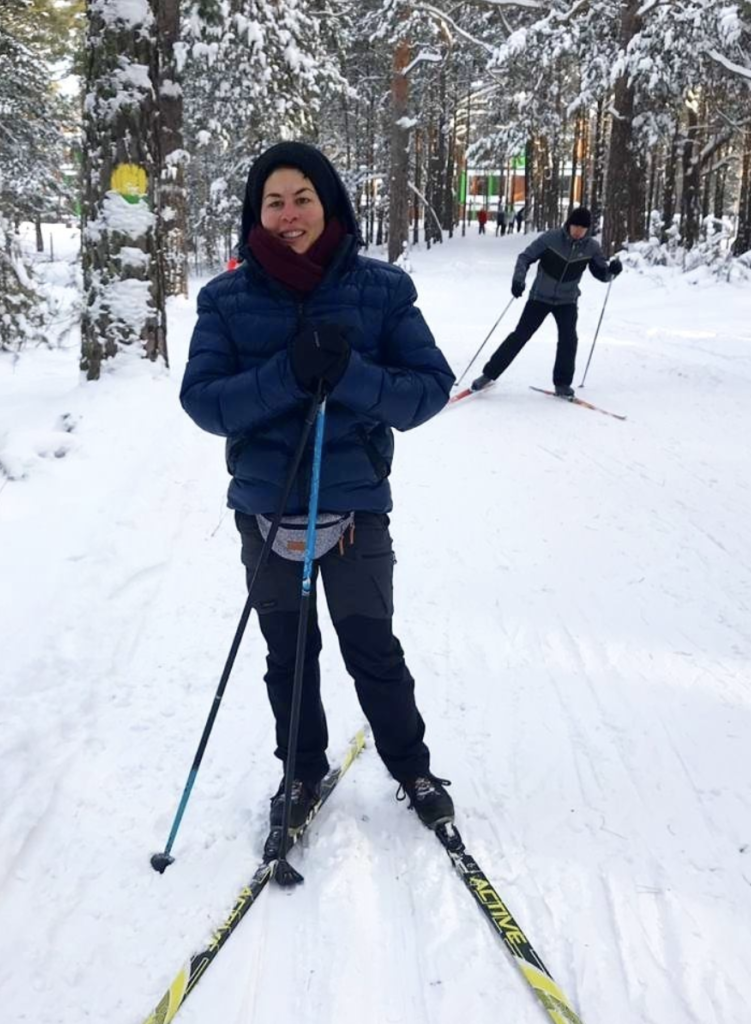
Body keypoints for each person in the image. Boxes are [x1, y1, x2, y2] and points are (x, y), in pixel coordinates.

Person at [180, 142, 457, 831]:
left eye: (303, 197)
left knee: (372, 648)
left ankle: (413, 768)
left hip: (355, 509)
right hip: (267, 512)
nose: (289, 214)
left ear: (328, 201)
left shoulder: (382, 291)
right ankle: (300, 774)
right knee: (290, 653)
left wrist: (353, 375)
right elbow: (205, 402)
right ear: (257, 212)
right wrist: (289, 374)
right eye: (274, 202)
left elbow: (427, 392)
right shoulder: (225, 300)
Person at [469, 206, 622, 397]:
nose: (578, 232)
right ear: (569, 224)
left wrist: (613, 271)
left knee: (569, 339)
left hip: (567, 300)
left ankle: (562, 384)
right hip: (540, 297)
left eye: (582, 229)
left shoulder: (591, 247)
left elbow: (602, 274)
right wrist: (518, 280)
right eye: (575, 227)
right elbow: (524, 258)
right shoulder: (551, 238)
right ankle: (488, 375)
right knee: (520, 335)